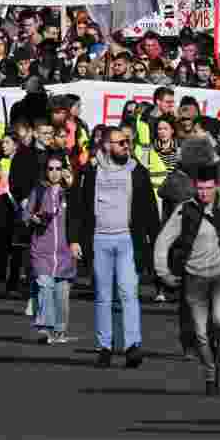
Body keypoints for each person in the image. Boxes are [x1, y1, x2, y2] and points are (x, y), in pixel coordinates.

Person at [71, 126, 159, 369]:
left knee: (129, 293)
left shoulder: (137, 171)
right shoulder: (91, 172)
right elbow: (79, 207)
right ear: (107, 145)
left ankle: (132, 346)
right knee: (102, 296)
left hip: (128, 240)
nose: (126, 146)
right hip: (99, 240)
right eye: (120, 142)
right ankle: (105, 347)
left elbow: (150, 208)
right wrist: (75, 238)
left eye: (127, 142)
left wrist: (155, 241)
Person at [153, 162, 220, 395]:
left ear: (216, 187)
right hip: (194, 278)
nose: (204, 193)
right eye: (200, 188)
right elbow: (163, 241)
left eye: (208, 188)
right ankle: (211, 375)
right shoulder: (185, 210)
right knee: (200, 334)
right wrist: (164, 273)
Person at [22, 152, 79, 344]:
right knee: (45, 288)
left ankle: (60, 331)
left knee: (62, 294)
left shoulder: (69, 192)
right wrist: (33, 218)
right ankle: (45, 330)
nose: (54, 173)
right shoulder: (38, 191)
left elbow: (80, 215)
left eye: (58, 168)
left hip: (64, 252)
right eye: (50, 169)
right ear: (45, 171)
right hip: (42, 250)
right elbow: (25, 215)